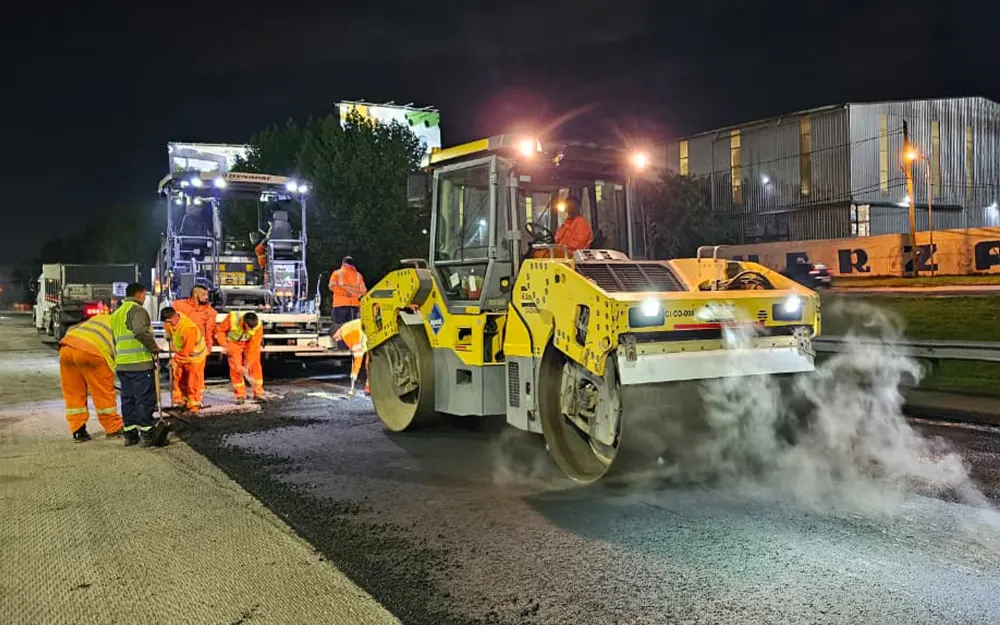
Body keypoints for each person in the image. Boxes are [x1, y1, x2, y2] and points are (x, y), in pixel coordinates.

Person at [58, 311, 123, 442]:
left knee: (73, 392)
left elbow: (72, 328)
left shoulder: (100, 318)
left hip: (67, 348)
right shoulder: (122, 324)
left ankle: (78, 430)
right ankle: (113, 427)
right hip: (92, 351)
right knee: (102, 391)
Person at [109, 283, 160, 447]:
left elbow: (114, 339)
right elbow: (139, 331)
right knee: (144, 399)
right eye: (144, 295)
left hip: (123, 364)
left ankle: (130, 434)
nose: (145, 298)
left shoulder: (116, 313)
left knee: (128, 399)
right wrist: (154, 347)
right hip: (139, 363)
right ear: (140, 294)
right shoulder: (137, 310)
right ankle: (147, 434)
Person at [160, 307, 208, 414]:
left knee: (193, 381)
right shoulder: (170, 322)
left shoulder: (188, 328)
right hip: (183, 353)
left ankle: (194, 404)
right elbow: (169, 329)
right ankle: (183, 400)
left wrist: (175, 359)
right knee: (180, 377)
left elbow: (187, 350)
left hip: (196, 356)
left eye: (170, 321)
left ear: (174, 316)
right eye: (167, 322)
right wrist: (168, 335)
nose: (169, 324)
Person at [215, 311, 264, 404]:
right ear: (244, 323)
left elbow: (253, 348)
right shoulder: (233, 318)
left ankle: (258, 393)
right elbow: (220, 330)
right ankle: (240, 395)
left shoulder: (258, 327)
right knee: (236, 367)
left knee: (254, 364)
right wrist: (224, 345)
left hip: (248, 342)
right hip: (233, 343)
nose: (249, 330)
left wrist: (246, 365)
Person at [328, 257, 367, 340]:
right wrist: (356, 295)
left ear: (343, 263)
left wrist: (344, 293)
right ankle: (351, 346)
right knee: (351, 327)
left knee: (339, 326)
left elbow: (331, 286)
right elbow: (363, 291)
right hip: (353, 306)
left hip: (340, 305)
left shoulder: (337, 273)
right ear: (352, 264)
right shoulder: (358, 275)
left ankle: (341, 346)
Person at [172, 285, 217, 352]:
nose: (207, 297)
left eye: (207, 295)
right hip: (181, 343)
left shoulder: (210, 311)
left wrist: (208, 348)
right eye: (204, 295)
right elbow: (171, 324)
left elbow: (209, 330)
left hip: (198, 345)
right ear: (195, 295)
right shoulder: (178, 305)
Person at [332, 318, 369, 396]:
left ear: (338, 330)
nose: (337, 340)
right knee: (368, 364)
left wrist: (354, 373)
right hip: (369, 335)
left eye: (336, 337)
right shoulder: (346, 329)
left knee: (369, 365)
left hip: (370, 335)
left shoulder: (347, 334)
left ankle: (369, 388)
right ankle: (369, 388)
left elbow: (358, 355)